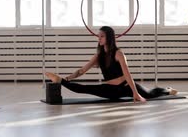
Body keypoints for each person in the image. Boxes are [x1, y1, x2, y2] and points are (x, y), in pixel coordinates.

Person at [45, 26, 177, 102]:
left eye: (102, 36)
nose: (99, 38)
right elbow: (81, 71)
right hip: (110, 89)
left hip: (126, 86)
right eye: (99, 36)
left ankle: (167, 90)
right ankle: (60, 80)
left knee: (150, 93)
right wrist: (67, 78)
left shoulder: (118, 53)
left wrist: (135, 93)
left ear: (109, 37)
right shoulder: (99, 56)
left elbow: (127, 74)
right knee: (84, 88)